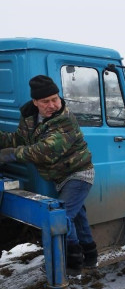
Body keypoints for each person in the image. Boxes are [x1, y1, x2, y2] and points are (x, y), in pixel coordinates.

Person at [0, 74, 97, 275]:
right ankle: (91, 255)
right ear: (35, 102)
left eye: (55, 98)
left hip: (79, 174)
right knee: (78, 217)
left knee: (62, 217)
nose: (52, 104)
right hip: (60, 176)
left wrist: (9, 155)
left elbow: (44, 150)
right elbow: (20, 138)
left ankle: (72, 262)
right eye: (46, 101)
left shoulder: (65, 120)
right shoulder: (30, 117)